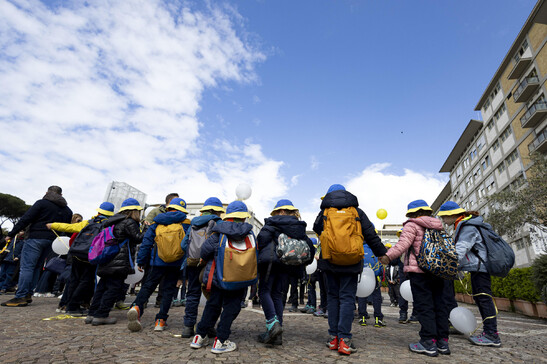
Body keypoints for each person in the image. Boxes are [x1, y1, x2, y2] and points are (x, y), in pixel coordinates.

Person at [313, 184, 387, 356]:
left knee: (333, 297)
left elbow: (317, 229)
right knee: (347, 298)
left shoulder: (325, 212)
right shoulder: (356, 212)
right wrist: (382, 253)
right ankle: (345, 340)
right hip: (352, 261)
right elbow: (370, 234)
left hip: (330, 260)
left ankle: (333, 338)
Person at [380, 200, 450, 357]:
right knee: (440, 305)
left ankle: (428, 342)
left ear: (412, 213)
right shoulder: (438, 225)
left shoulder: (412, 225)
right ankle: (442, 342)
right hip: (439, 271)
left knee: (424, 306)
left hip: (420, 271)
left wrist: (387, 257)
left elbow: (402, 245)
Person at [190, 201, 254, 354]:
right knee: (232, 307)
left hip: (218, 277)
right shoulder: (249, 233)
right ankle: (221, 340)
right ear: (243, 217)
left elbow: (205, 251)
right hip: (239, 279)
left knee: (213, 305)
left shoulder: (218, 232)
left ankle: (199, 337)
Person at [438, 201, 501, 347]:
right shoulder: (464, 225)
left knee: (484, 299)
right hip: (477, 268)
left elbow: (461, 249)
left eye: (444, 217)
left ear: (452, 215)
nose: (443, 221)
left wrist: (446, 265)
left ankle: (492, 334)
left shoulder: (467, 226)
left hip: (480, 269)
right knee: (481, 299)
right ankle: (489, 332)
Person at [2, 186, 72, 307]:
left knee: (27, 267)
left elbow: (26, 219)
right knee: (36, 267)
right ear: (61, 195)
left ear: (47, 193)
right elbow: (65, 227)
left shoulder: (42, 203)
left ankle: (21, 296)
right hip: (52, 241)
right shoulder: (67, 210)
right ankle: (28, 294)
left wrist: (11, 234)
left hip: (35, 237)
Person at [256, 199, 315, 345]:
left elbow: (262, 240)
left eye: (276, 211)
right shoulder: (299, 227)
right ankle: (277, 334)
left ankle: (272, 323)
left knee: (264, 292)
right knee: (277, 295)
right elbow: (310, 248)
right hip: (287, 265)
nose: (275, 214)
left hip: (270, 263)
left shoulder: (273, 222)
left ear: (282, 211)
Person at [127, 197, 188, 332]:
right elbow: (187, 247)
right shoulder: (185, 224)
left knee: (148, 286)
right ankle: (160, 321)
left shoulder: (157, 223)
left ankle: (137, 307)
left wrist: (141, 261)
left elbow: (146, 243)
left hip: (157, 262)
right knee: (168, 291)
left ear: (168, 208)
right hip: (175, 264)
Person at [47, 202, 116, 315]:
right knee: (86, 281)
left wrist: (53, 225)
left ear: (98, 211)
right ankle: (73, 306)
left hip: (76, 253)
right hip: (90, 256)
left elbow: (69, 227)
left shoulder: (88, 222)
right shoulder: (108, 225)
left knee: (74, 280)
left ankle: (69, 305)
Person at [86, 198, 144, 325]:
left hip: (106, 258)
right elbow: (138, 238)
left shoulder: (112, 222)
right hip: (119, 260)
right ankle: (101, 315)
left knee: (102, 287)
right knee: (113, 288)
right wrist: (147, 229)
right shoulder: (129, 222)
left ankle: (91, 313)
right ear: (134, 211)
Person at [180, 197, 225, 338]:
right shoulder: (219, 223)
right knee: (213, 296)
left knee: (192, 294)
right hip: (210, 265)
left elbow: (183, 245)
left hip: (193, 263)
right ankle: (209, 326)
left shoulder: (194, 223)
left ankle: (188, 327)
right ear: (218, 211)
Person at [358, 244, 385, 328]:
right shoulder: (375, 248)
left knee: (362, 296)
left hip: (361, 276)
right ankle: (378, 319)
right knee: (376, 298)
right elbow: (380, 266)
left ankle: (362, 317)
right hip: (373, 276)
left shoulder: (358, 247)